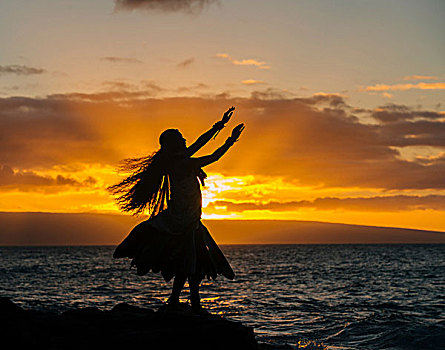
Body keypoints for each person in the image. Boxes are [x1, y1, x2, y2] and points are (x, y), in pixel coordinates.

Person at [109, 107, 244, 314]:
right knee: (190, 262)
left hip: (188, 220)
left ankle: (177, 300)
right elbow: (213, 157)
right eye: (180, 138)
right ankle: (191, 302)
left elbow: (200, 142)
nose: (184, 139)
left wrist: (220, 125)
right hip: (181, 222)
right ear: (173, 144)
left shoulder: (179, 160)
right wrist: (230, 140)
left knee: (190, 262)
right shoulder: (182, 164)